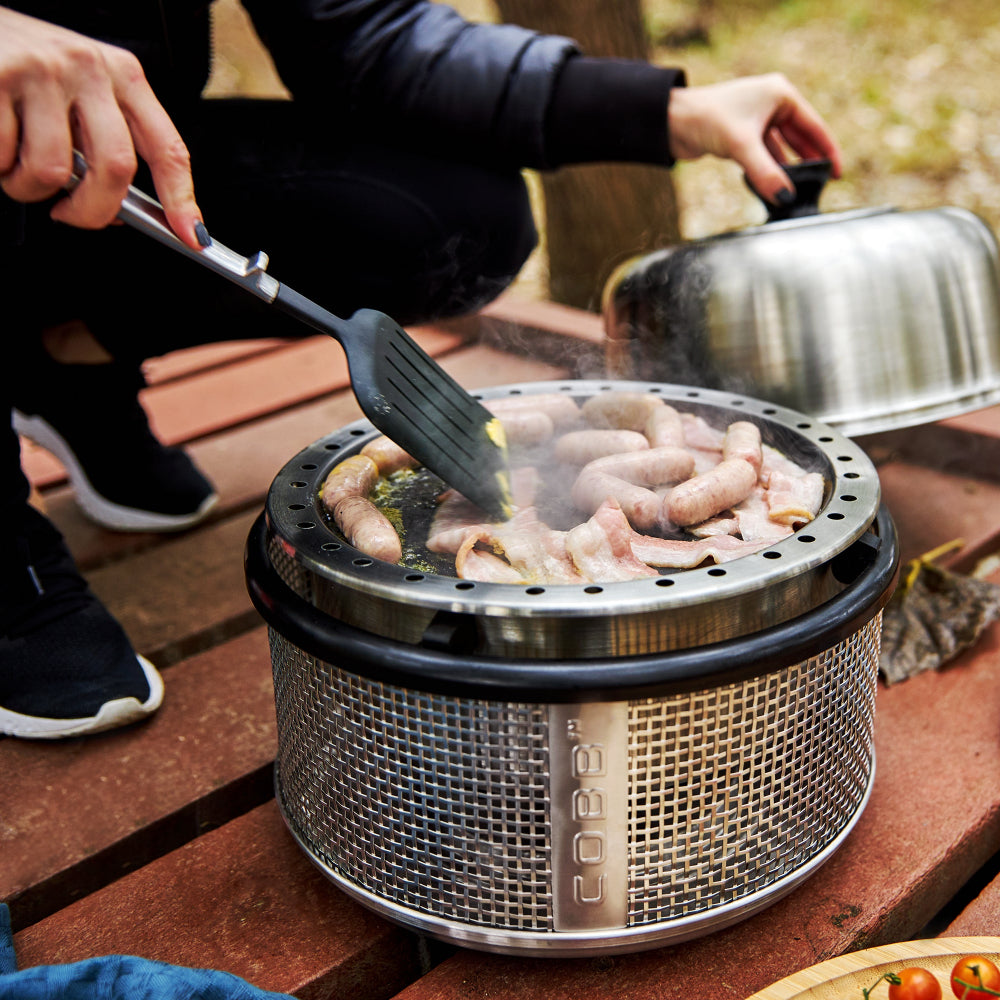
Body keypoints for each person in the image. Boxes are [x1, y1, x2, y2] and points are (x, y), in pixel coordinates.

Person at [0, 1, 842, 739]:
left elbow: (367, 30)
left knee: (463, 213)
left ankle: (60, 360)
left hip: (111, 163)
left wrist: (665, 111)